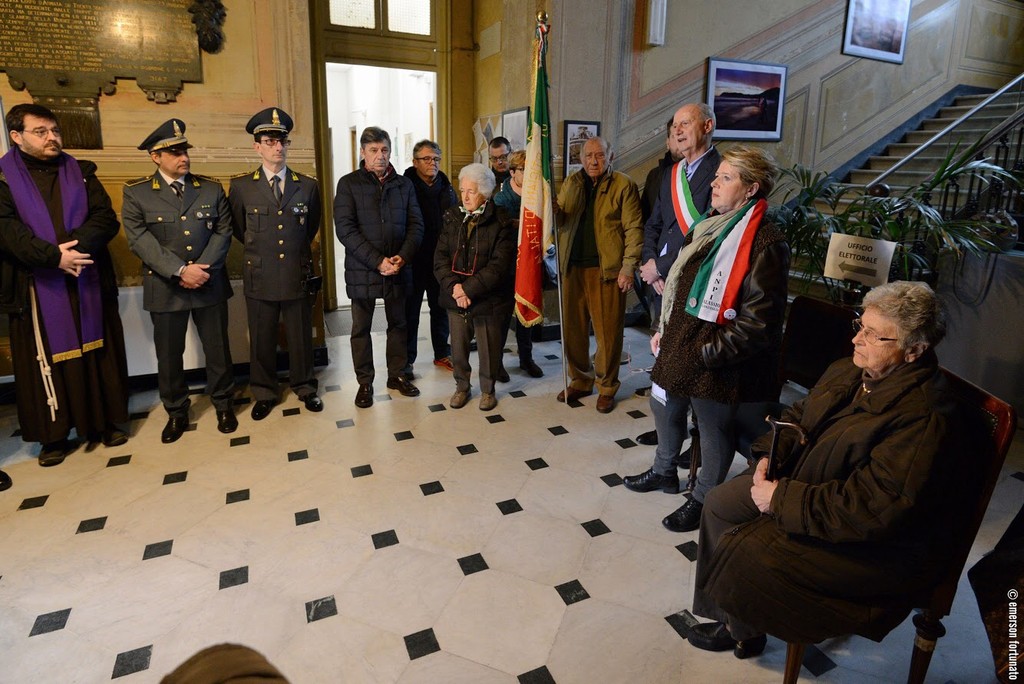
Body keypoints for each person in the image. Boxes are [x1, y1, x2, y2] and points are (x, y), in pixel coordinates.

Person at [687, 281, 963, 659]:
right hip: (807, 484)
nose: (856, 340)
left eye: (874, 335)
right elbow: (798, 416)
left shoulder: (923, 416)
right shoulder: (848, 370)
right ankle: (739, 626)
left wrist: (779, 499)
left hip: (868, 542)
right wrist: (768, 457)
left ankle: (754, 623)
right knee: (720, 503)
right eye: (860, 325)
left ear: (914, 350)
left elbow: (872, 507)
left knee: (748, 549)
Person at [623, 146, 789, 531]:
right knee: (664, 405)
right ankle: (664, 470)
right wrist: (664, 329)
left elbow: (758, 324)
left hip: (719, 360)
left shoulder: (765, 241)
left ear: (751, 189)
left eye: (726, 178)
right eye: (717, 176)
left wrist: (706, 355)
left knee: (712, 429)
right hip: (682, 342)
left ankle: (703, 499)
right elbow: (681, 286)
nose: (714, 183)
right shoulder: (710, 224)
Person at [0, 103, 129, 466]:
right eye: (41, 131)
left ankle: (104, 423)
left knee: (98, 352)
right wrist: (53, 257)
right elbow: (7, 231)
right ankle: (54, 435)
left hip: (87, 277)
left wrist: (76, 250)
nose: (52, 137)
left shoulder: (82, 172)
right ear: (16, 136)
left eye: (55, 130)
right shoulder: (3, 180)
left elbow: (105, 218)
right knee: (45, 360)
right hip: (36, 286)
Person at [122, 119, 237, 444]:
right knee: (169, 355)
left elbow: (223, 231)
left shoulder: (211, 188)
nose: (183, 157)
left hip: (209, 281)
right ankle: (176, 412)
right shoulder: (137, 192)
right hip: (165, 285)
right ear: (155, 156)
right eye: (174, 152)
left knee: (218, 350)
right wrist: (180, 271)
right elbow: (139, 239)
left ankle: (223, 404)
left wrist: (201, 269)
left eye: (184, 150)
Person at [229, 107, 323, 421]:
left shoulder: (307, 185)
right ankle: (265, 392)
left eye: (282, 141)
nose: (278, 147)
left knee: (300, 336)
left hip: (296, 271)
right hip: (260, 274)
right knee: (262, 339)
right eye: (270, 142)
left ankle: (305, 386)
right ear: (257, 147)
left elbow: (310, 227)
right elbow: (239, 229)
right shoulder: (242, 187)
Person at [635, 103, 721, 447]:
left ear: (707, 126)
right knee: (664, 357)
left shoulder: (721, 172)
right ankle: (669, 429)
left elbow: (709, 234)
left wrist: (663, 268)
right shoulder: (672, 174)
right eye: (675, 127)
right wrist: (650, 264)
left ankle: (698, 440)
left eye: (686, 123)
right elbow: (654, 224)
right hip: (661, 285)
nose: (678, 131)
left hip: (694, 282)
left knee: (691, 363)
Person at [334, 126, 423, 408]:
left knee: (399, 324)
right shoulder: (348, 184)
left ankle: (397, 375)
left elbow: (416, 225)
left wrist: (402, 257)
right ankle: (365, 383)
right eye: (373, 150)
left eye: (384, 149)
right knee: (361, 328)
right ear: (362, 152)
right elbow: (345, 230)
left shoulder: (404, 185)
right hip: (363, 269)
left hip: (398, 267)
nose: (380, 156)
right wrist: (377, 261)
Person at [554, 136, 643, 413]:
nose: (594, 161)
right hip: (572, 268)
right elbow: (561, 221)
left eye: (600, 155)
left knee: (608, 334)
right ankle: (581, 380)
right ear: (580, 158)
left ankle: (606, 387)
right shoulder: (571, 183)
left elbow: (634, 228)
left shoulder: (623, 185)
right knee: (573, 330)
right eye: (589, 155)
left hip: (607, 271)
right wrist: (550, 209)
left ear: (610, 156)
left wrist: (628, 268)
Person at [434, 163, 515, 411]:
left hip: (488, 298)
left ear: (485, 192)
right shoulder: (452, 216)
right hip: (455, 295)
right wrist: (455, 288)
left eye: (471, 191)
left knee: (488, 348)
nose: (465, 196)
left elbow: (499, 267)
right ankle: (462, 387)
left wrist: (467, 290)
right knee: (458, 348)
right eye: (462, 190)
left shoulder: (501, 220)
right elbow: (440, 258)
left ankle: (488, 390)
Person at [402, 139, 456, 378]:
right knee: (410, 312)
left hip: (440, 259)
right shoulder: (404, 186)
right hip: (413, 259)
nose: (432, 163)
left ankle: (442, 352)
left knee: (440, 308)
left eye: (435, 159)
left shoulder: (446, 185)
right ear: (415, 162)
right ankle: (407, 360)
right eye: (426, 159)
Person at [492, 148, 543, 379]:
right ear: (512, 172)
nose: (530, 174)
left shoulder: (535, 195)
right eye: (524, 170)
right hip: (507, 264)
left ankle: (526, 358)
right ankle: (496, 363)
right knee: (503, 316)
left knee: (526, 310)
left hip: (530, 262)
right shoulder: (501, 199)